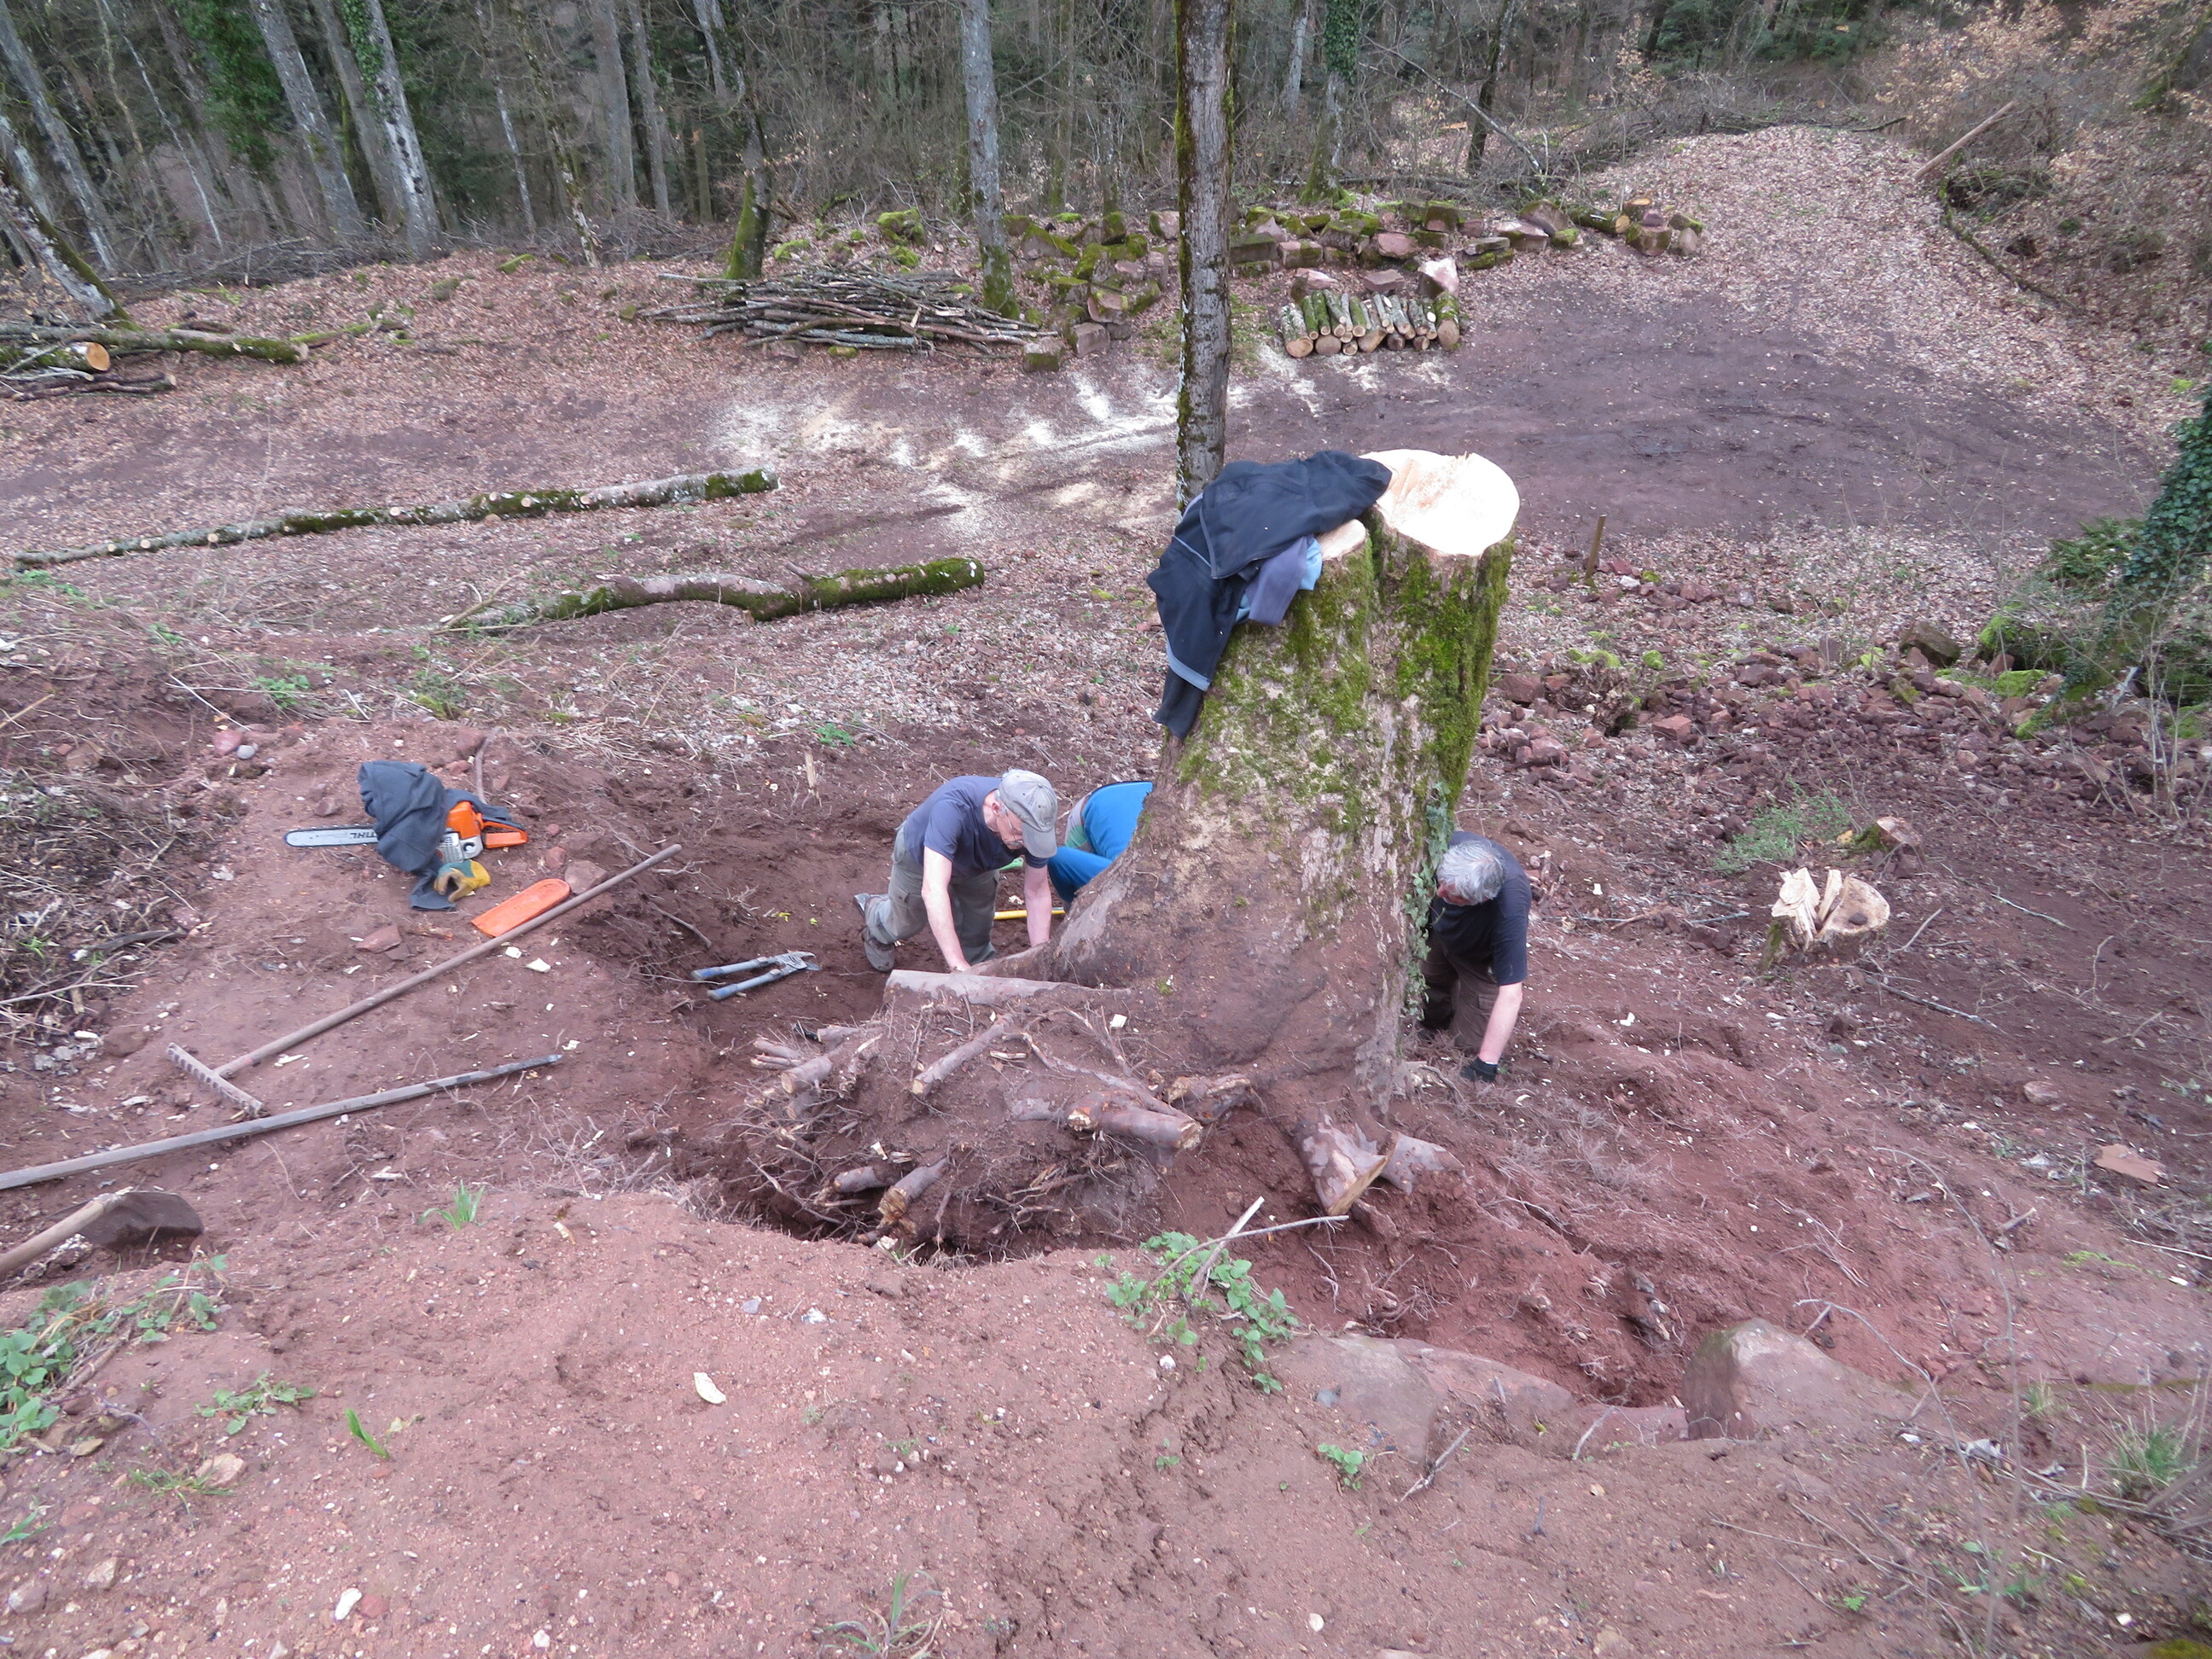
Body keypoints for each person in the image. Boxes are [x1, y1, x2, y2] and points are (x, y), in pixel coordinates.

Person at [857, 771, 1059, 973]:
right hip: (920, 857)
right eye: (1020, 835)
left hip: (978, 864)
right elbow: (934, 890)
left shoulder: (1035, 823)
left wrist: (1040, 957)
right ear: (997, 809)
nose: (1027, 844)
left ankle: (978, 964)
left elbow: (1037, 892)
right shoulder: (953, 809)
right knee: (907, 922)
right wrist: (957, 965)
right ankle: (877, 922)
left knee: (977, 923)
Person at [1419, 831, 1530, 1082]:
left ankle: (1464, 1013)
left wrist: (1487, 1062)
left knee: (1468, 1043)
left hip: (1480, 959)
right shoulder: (1451, 846)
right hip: (1441, 934)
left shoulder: (1510, 908)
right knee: (1429, 988)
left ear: (1483, 899)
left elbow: (1512, 993)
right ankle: (1435, 1023)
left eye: (1452, 895)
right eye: (1442, 882)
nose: (1439, 893)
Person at [1045, 780, 1151, 905]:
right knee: (1068, 868)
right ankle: (1074, 906)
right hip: (1093, 804)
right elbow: (1060, 860)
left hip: (1146, 788)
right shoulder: (1124, 878)